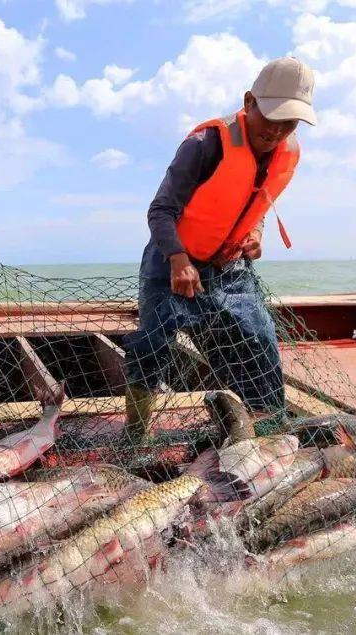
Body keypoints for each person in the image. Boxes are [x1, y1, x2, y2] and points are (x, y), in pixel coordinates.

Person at [122, 57, 317, 441]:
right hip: (172, 262)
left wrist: (256, 234)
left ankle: (263, 432)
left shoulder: (286, 152)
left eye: (289, 122)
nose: (276, 131)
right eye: (271, 116)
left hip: (230, 268)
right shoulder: (204, 144)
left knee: (259, 341)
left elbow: (257, 205)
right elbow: (160, 210)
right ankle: (135, 437)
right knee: (151, 343)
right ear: (249, 102)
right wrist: (178, 260)